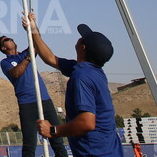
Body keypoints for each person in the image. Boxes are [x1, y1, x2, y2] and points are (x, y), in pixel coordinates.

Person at [22, 12, 121, 157]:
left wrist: (53, 131)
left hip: (95, 152)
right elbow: (50, 58)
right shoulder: (89, 71)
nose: (79, 38)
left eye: (82, 38)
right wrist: (34, 30)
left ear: (83, 48)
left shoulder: (82, 77)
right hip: (108, 150)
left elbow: (87, 122)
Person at [0, 35, 68, 157]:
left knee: (57, 138)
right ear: (3, 47)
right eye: (6, 40)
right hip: (27, 104)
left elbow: (36, 40)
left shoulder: (25, 54)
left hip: (44, 100)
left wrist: (32, 26)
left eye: (10, 38)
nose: (11, 39)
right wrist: (28, 58)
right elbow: (16, 73)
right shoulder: (5, 62)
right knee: (29, 144)